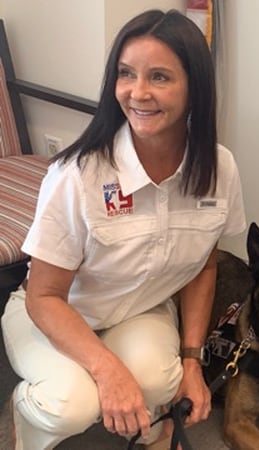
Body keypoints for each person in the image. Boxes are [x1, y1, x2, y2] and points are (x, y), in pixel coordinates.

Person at [1, 9, 245, 449]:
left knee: (159, 379)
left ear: (196, 89)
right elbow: (43, 295)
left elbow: (203, 269)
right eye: (126, 74)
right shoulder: (78, 175)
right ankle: (27, 417)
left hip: (140, 309)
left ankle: (145, 411)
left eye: (159, 77)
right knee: (71, 403)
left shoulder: (219, 167)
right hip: (56, 312)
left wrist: (193, 362)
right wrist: (106, 368)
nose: (137, 92)